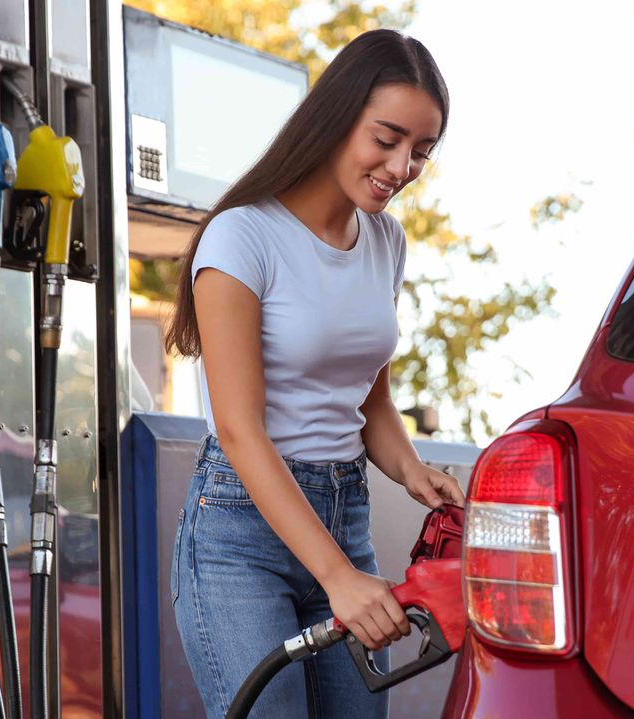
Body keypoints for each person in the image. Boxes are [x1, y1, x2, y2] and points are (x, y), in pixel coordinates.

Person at [165, 28, 464, 719]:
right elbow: (240, 431)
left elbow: (371, 401)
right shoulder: (243, 237)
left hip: (343, 513)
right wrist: (338, 578)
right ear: (337, 118)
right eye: (386, 139)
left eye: (420, 150)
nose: (401, 166)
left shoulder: (386, 241)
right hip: (241, 534)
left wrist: (412, 470)